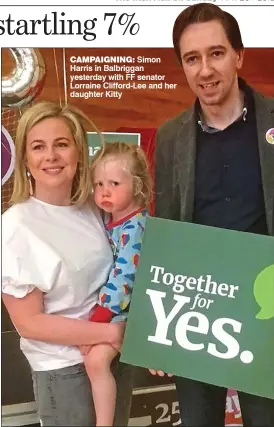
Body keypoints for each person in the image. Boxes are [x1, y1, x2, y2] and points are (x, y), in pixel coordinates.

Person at [154, 3, 274, 427]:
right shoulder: (171, 137)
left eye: (216, 53)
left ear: (238, 55)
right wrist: (159, 328)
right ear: (183, 66)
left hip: (265, 313)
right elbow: (166, 225)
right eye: (192, 58)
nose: (205, 69)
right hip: (196, 310)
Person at [2, 101, 134, 427]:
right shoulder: (17, 225)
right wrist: (109, 331)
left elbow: (123, 275)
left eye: (61, 144)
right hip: (65, 374)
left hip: (113, 358)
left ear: (79, 152)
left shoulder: (93, 208)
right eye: (38, 147)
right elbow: (29, 323)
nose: (51, 156)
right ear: (26, 160)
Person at [79, 141, 152, 426]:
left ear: (136, 186)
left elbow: (125, 276)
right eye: (98, 184)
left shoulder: (136, 227)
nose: (104, 191)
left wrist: (100, 317)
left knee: (95, 361)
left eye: (114, 183)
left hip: (133, 312)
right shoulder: (112, 219)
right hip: (120, 310)